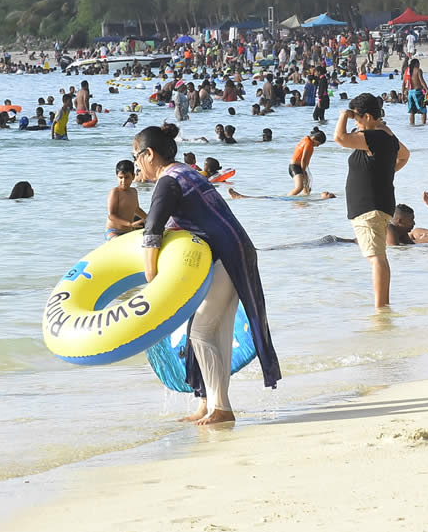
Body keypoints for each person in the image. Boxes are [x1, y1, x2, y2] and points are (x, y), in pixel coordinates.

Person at [132, 126, 280, 425]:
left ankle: (221, 408)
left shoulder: (168, 181)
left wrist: (151, 276)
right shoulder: (186, 173)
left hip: (226, 256)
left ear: (149, 154)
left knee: (201, 333)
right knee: (216, 332)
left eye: (136, 157)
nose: (136, 164)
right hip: (234, 251)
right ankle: (208, 404)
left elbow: (153, 230)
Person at [335, 93, 410, 309]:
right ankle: (383, 304)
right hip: (378, 204)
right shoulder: (387, 136)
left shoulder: (375, 137)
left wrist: (342, 116)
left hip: (368, 206)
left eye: (357, 119)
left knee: (376, 257)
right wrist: (386, 172)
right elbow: (404, 155)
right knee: (378, 255)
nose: (355, 123)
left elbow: (339, 138)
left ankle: (381, 307)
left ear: (368, 116)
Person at [105, 160, 145, 239]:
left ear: (133, 176)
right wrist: (129, 224)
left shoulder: (134, 191)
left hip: (129, 231)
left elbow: (136, 209)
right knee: (116, 242)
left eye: (127, 177)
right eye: (120, 177)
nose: (123, 181)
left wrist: (149, 218)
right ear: (117, 177)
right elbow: (111, 216)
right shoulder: (115, 192)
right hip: (114, 231)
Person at [288, 129, 326, 196]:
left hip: (301, 167)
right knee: (299, 187)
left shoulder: (307, 139)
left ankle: (305, 204)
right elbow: (303, 159)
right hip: (295, 167)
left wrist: (305, 173)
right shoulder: (308, 143)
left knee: (307, 188)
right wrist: (304, 173)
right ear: (314, 138)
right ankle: (286, 199)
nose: (317, 146)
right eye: (317, 144)